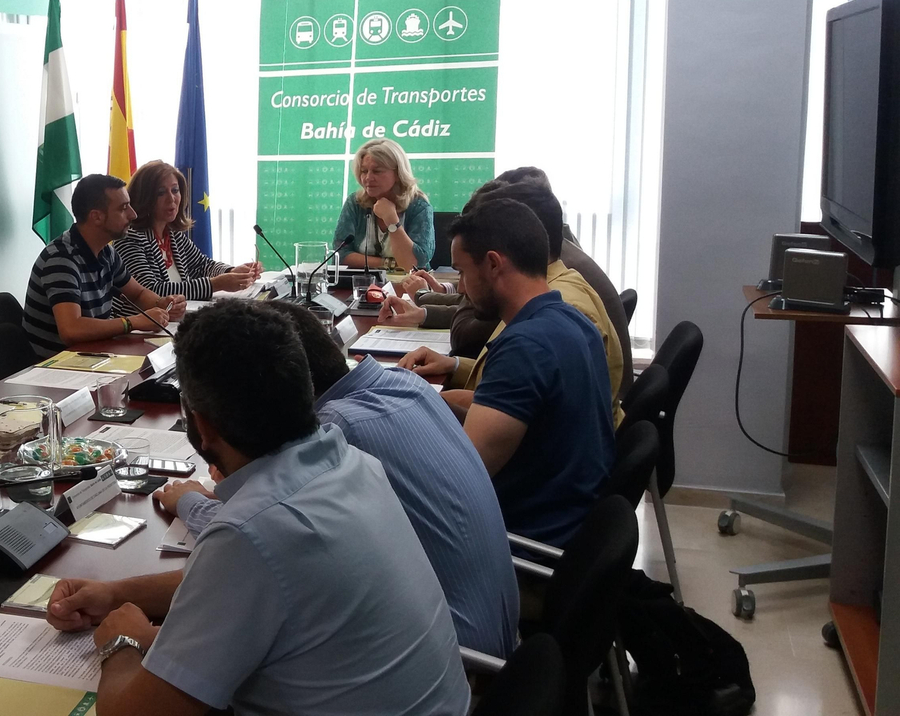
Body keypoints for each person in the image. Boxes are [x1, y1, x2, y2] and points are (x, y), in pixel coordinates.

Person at [44, 300, 469, 716]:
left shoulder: (251, 533)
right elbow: (241, 586)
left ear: (203, 425)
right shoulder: (353, 463)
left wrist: (121, 644)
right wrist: (116, 593)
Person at [154, 299, 519, 659]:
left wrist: (192, 501)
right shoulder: (405, 383)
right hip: (494, 625)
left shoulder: (337, 432)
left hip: (457, 651)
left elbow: (260, 533)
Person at [398, 199, 615, 548]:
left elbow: (459, 481)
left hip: (523, 548)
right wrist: (430, 400)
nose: (463, 288)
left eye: (463, 272)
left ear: (494, 264)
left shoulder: (525, 347)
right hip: (570, 524)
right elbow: (528, 408)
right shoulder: (571, 321)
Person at [387, 179, 626, 427]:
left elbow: (473, 461)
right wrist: (454, 365)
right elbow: (526, 383)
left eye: (463, 273)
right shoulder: (547, 292)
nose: (461, 287)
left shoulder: (544, 328)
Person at [23, 174, 187, 357]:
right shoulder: (61, 259)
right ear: (97, 217)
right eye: (124, 208)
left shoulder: (105, 252)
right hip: (55, 368)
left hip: (92, 355)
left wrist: (160, 303)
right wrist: (132, 322)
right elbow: (71, 330)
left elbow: (138, 293)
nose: (133, 214)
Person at [113, 160, 260, 315]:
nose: (171, 199)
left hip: (171, 324)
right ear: (144, 197)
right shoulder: (129, 238)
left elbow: (202, 265)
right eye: (161, 193)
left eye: (175, 190)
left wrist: (232, 271)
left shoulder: (173, 235)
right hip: (137, 330)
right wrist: (216, 284)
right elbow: (151, 290)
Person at [334, 139, 434, 270]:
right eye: (364, 171)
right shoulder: (355, 203)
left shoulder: (419, 206)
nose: (368, 178)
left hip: (408, 287)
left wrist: (391, 220)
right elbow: (340, 255)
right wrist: (389, 264)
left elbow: (414, 263)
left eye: (377, 171)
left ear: (398, 173)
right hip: (362, 285)